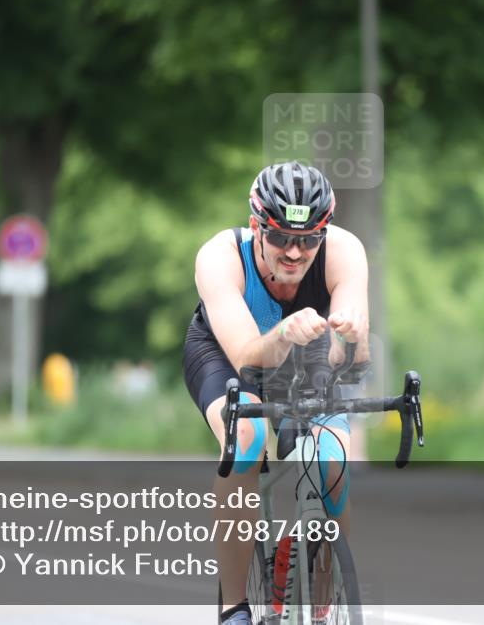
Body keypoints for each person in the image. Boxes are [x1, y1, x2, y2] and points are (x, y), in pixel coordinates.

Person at [182, 161, 370, 624]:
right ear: (255, 227)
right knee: (245, 438)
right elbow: (248, 355)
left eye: (308, 240)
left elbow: (352, 359)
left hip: (307, 355)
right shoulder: (219, 257)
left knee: (332, 455)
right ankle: (234, 608)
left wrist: (349, 338)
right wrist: (284, 333)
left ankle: (328, 588)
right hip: (227, 352)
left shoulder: (344, 251)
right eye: (281, 236)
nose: (294, 251)